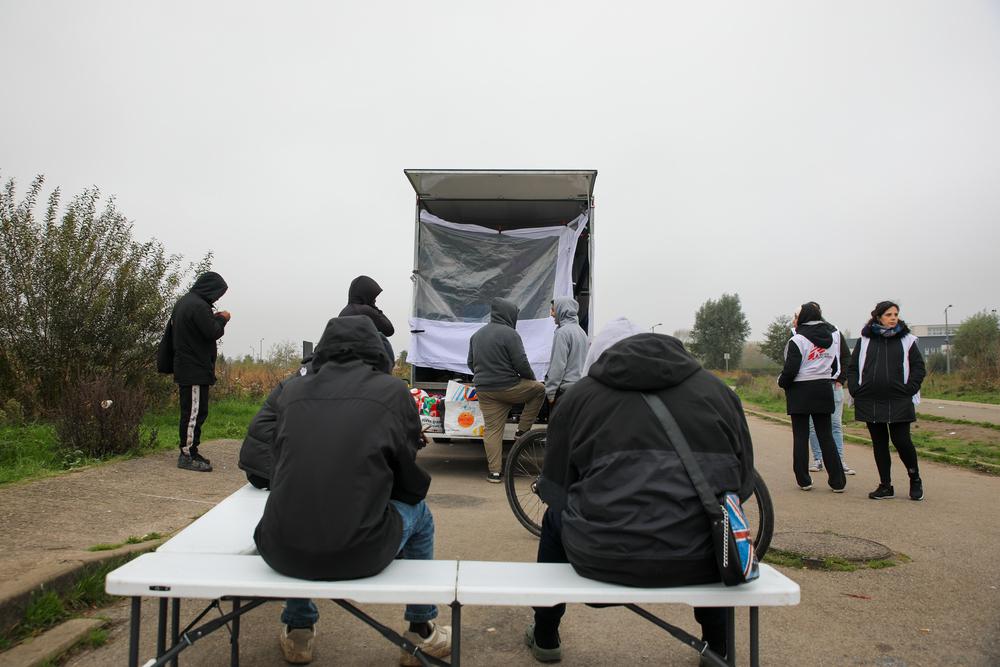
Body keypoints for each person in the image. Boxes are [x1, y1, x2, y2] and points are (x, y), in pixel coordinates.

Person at [527, 321, 755, 664]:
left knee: (553, 519)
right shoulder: (719, 393)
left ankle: (545, 632)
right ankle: (717, 644)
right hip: (700, 559)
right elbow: (742, 486)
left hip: (599, 556)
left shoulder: (579, 398)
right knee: (712, 519)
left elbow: (555, 490)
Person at [253, 316, 451, 665]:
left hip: (280, 548)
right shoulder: (392, 392)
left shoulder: (292, 391)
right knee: (421, 516)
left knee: (301, 508)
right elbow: (407, 481)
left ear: (324, 349)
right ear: (376, 350)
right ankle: (421, 629)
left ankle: (299, 631)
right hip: (360, 552)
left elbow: (280, 463)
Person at [847, 300, 926, 501]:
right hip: (870, 398)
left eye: (895, 314)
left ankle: (914, 478)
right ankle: (885, 485)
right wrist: (855, 388)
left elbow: (918, 367)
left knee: (902, 441)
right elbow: (853, 366)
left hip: (899, 398)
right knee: (879, 443)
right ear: (878, 317)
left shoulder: (907, 340)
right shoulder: (864, 340)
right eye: (889, 315)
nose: (893, 318)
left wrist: (910, 388)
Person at [467, 298, 546, 483]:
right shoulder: (510, 334)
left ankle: (494, 473)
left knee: (492, 430)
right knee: (539, 390)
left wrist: (485, 376)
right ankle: (522, 431)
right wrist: (531, 378)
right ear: (509, 314)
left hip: (485, 390)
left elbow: (470, 363)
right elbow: (521, 363)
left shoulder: (477, 335)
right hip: (509, 387)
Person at [778, 302, 848, 492]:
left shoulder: (798, 340)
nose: (795, 319)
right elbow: (835, 365)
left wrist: (781, 382)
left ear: (804, 318)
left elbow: (790, 369)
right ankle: (837, 481)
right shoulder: (832, 337)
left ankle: (804, 480)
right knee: (826, 435)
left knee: (800, 436)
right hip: (824, 387)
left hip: (800, 390)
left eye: (796, 315)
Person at [170, 271, 230, 472]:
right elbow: (212, 331)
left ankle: (192, 450)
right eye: (218, 293)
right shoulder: (197, 305)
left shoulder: (186, 302)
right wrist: (222, 319)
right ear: (210, 288)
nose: (218, 298)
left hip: (190, 366)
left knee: (196, 411)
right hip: (193, 368)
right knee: (193, 413)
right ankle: (187, 455)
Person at [543, 297, 589, 405]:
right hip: (580, 388)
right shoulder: (581, 332)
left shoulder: (562, 333)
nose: (551, 314)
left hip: (565, 391)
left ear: (562, 310)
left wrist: (550, 392)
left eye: (553, 310)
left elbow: (558, 365)